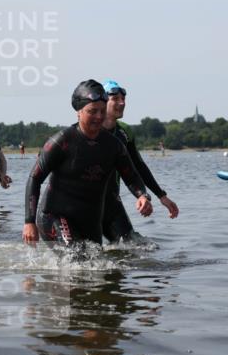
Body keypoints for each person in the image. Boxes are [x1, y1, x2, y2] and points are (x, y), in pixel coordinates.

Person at [23, 80, 152, 246]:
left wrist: (142, 195)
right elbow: (34, 178)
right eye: (92, 111)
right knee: (77, 259)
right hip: (55, 216)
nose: (99, 117)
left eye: (102, 111)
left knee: (100, 263)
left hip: (90, 219)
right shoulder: (61, 142)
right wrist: (29, 222)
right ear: (79, 111)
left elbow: (131, 176)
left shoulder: (114, 146)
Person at [99, 80, 179, 243]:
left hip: (112, 202)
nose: (122, 102)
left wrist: (160, 196)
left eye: (124, 98)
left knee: (134, 246)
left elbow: (138, 167)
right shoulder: (89, 130)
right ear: (102, 101)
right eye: (115, 98)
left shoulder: (124, 132)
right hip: (83, 202)